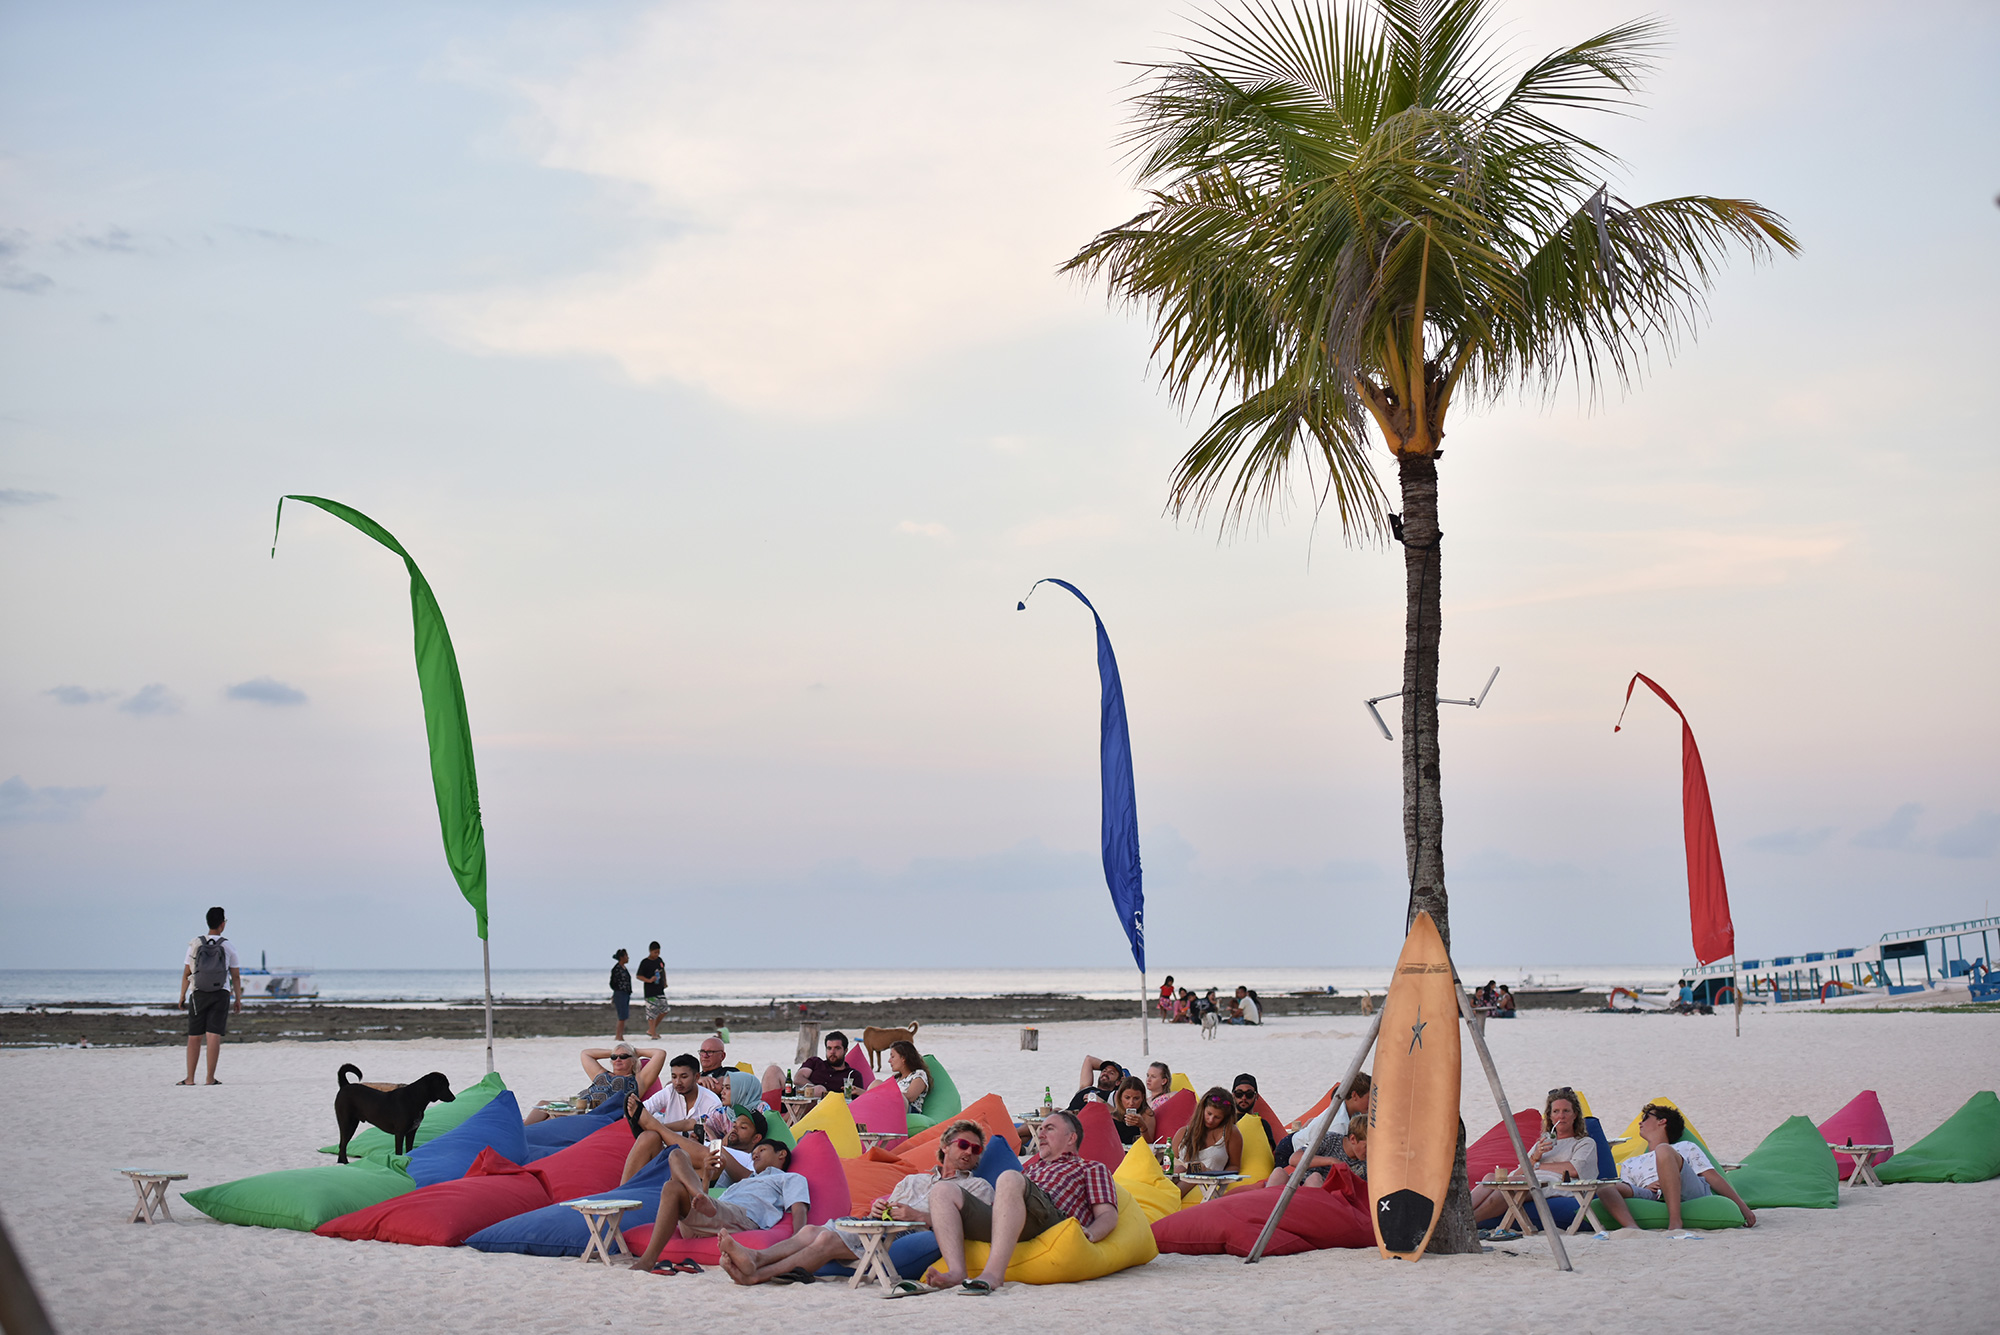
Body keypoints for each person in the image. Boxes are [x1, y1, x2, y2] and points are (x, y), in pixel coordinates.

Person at [716, 1119, 994, 1286]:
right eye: (963, 1145)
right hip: (879, 1227)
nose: (969, 1152)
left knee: (824, 1242)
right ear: (945, 1146)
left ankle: (757, 1275)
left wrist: (918, 1215)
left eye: (976, 1149)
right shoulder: (914, 1180)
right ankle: (756, 1258)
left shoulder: (976, 1187)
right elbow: (888, 1208)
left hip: (906, 1235)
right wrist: (880, 1208)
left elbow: (972, 1225)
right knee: (812, 1232)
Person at [925, 1108, 1117, 1294]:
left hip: (1050, 1217)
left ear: (1071, 1137)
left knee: (1009, 1177)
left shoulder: (1090, 1167)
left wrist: (1092, 1233)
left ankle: (993, 1274)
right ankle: (957, 1272)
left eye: (1049, 1129)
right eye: (1040, 1129)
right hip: (1011, 1220)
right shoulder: (1031, 1168)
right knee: (942, 1190)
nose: (1041, 1134)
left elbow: (1108, 1214)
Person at [630, 1138, 808, 1271]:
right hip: (709, 1219)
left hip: (742, 1217)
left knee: (673, 1186)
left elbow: (799, 1208)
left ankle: (647, 1260)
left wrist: (797, 1244)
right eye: (754, 1153)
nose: (755, 1154)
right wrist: (707, 1177)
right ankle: (698, 1191)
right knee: (676, 1157)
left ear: (781, 1154)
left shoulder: (789, 1178)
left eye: (762, 1149)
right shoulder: (743, 1182)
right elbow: (705, 1209)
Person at [1594, 1103, 1756, 1233]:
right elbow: (1629, 1191)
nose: (1640, 1122)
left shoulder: (1685, 1147)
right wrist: (1644, 1187)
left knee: (1663, 1150)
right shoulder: (1631, 1162)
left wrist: (1743, 1208)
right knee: (1605, 1186)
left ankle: (1675, 1222)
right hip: (1652, 1194)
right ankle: (1632, 1228)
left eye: (1646, 1117)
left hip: (1687, 1188)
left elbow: (1713, 1177)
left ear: (1662, 1121)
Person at [1470, 1086, 1597, 1221]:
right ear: (1550, 1116)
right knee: (1490, 1177)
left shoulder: (1584, 1143)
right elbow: (1517, 1173)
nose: (1561, 1116)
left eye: (1566, 1111)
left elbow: (1573, 1170)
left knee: (1511, 1184)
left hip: (1558, 1184)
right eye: (1556, 1111)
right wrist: (1535, 1156)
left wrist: (1537, 1166)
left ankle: (1471, 1222)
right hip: (1532, 1180)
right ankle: (1460, 1214)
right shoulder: (1542, 1143)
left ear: (1575, 1115)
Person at [620, 1053, 726, 1183]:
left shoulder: (712, 1102)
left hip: (695, 1159)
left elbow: (707, 1138)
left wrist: (654, 1125)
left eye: (684, 1077)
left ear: (697, 1077)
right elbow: (642, 1109)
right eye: (674, 1077)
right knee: (648, 1136)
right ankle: (622, 1190)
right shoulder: (670, 1091)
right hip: (665, 1152)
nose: (677, 1082)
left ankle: (655, 1127)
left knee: (654, 1133)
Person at [177, 906, 242, 1086]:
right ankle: (209, 1078)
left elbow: (186, 973)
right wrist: (238, 999)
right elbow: (235, 976)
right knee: (213, 1035)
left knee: (194, 1036)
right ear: (222, 924)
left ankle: (190, 1079)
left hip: (198, 992)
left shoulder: (195, 944)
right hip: (220, 992)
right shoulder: (228, 946)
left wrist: (182, 995)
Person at [525, 1043, 666, 1123]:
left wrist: (634, 1051)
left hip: (597, 1113)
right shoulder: (601, 1074)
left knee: (551, 1117)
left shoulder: (637, 1080)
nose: (618, 1059)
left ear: (633, 1060)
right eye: (614, 1057)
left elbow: (660, 1053)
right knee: (543, 1104)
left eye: (623, 1057)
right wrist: (616, 1050)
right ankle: (522, 1132)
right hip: (578, 1105)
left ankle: (526, 1136)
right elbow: (586, 1053)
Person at [1276, 1071, 1370, 1168]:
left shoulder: (1348, 1109)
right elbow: (1330, 1155)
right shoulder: (1339, 1125)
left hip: (1299, 1137)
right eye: (1369, 1098)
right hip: (1291, 1149)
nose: (1372, 1103)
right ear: (1354, 1095)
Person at [775, 1031, 861, 1101]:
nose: (832, 1052)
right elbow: (798, 1078)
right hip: (794, 1099)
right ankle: (767, 1113)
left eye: (837, 1048)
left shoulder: (852, 1075)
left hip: (817, 1112)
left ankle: (786, 1121)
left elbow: (858, 1102)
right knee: (773, 1070)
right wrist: (814, 1089)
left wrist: (820, 1092)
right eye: (829, 1048)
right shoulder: (815, 1062)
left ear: (845, 1050)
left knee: (820, 1090)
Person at [1173, 1088, 1243, 1174]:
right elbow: (1169, 1162)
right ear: (1202, 1110)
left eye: (1217, 1117)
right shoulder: (1183, 1132)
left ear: (1225, 1118)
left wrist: (1214, 1175)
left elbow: (1235, 1166)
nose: (1210, 1120)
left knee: (1199, 1169)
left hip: (1207, 1180)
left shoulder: (1230, 1132)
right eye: (1209, 1114)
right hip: (1177, 1177)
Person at [695, 1036, 765, 1113]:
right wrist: (698, 1079)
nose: (705, 1055)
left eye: (710, 1052)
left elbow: (717, 1086)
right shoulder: (698, 1075)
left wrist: (694, 1081)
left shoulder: (730, 1072)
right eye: (702, 1051)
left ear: (722, 1056)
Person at [1230, 1074, 1278, 1152]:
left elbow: (1269, 1152)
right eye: (1239, 1094)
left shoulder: (1263, 1125)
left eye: (1249, 1094)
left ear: (1256, 1096)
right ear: (1233, 1095)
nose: (1244, 1098)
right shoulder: (1227, 1122)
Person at [636, 942, 668, 1039]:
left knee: (664, 1009)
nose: (657, 954)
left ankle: (651, 1029)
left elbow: (663, 971)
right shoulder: (645, 962)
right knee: (651, 1012)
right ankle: (653, 1033)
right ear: (650, 951)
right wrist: (649, 980)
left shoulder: (659, 960)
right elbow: (639, 976)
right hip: (650, 991)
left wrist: (665, 981)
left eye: (658, 952)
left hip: (660, 989)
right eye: (655, 952)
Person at [887, 1040, 929, 1113]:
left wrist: (885, 1096)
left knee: (902, 1099)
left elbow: (911, 1097)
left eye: (892, 1057)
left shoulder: (918, 1074)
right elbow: (875, 1093)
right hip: (889, 1107)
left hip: (908, 1109)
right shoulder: (895, 1078)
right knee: (877, 1083)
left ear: (903, 1058)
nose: (889, 1061)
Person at [608, 949, 633, 1042]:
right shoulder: (617, 969)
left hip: (626, 993)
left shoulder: (624, 968)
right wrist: (617, 991)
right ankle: (618, 1035)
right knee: (621, 1015)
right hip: (620, 993)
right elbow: (612, 982)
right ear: (622, 957)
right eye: (626, 956)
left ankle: (620, 1035)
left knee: (624, 1015)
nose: (628, 957)